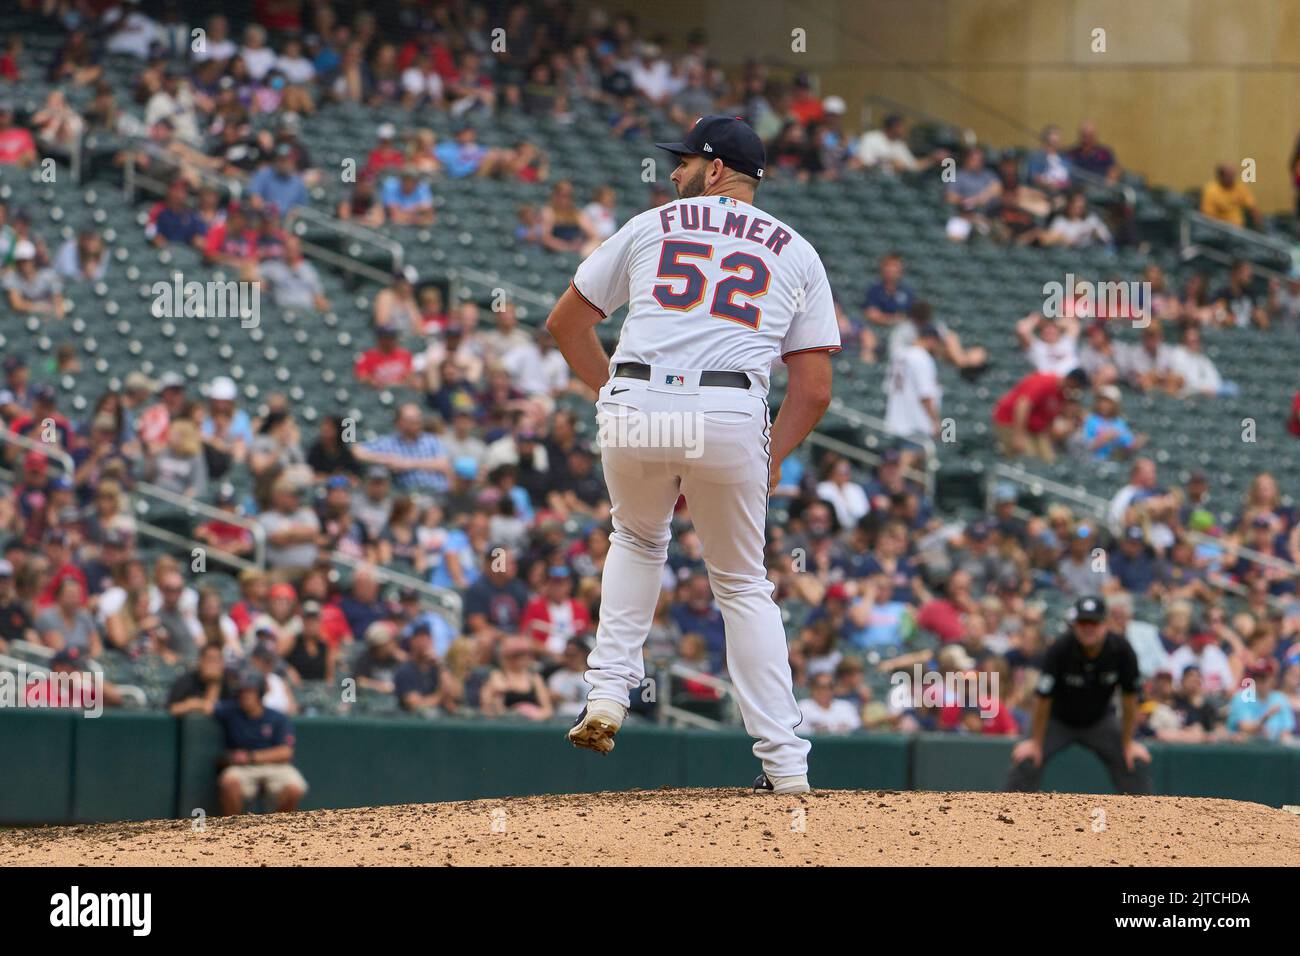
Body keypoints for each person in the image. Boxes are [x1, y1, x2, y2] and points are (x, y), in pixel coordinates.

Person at [546, 116, 840, 795]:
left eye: (682, 162)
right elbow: (815, 389)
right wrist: (775, 452)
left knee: (638, 539)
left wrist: (613, 394)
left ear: (714, 170)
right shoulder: (796, 250)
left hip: (636, 398)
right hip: (731, 411)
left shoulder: (651, 226)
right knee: (740, 584)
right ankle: (785, 764)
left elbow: (566, 323)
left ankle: (606, 695)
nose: (672, 173)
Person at [1006, 596, 1152, 794]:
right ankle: (1008, 820)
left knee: (1133, 761)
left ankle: (1146, 821)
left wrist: (1128, 742)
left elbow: (1129, 700)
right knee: (1027, 758)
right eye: (1083, 622)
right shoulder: (1060, 648)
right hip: (1057, 720)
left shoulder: (1121, 650)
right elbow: (1042, 699)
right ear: (1074, 625)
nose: (1088, 628)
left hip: (1099, 721)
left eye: (1094, 622)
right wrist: (1035, 742)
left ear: (1105, 624)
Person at [214, 671, 308, 815]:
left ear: (260, 693)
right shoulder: (230, 711)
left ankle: (274, 826)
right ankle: (234, 827)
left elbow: (286, 752)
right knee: (229, 782)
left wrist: (251, 757)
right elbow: (208, 706)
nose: (245, 695)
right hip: (243, 768)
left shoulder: (277, 717)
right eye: (242, 691)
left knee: (295, 788)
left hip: (274, 766)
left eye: (250, 691)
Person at [884, 323, 942, 444]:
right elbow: (926, 395)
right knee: (909, 459)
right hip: (915, 424)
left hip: (895, 422)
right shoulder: (922, 357)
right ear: (931, 340)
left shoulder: (899, 355)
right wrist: (936, 422)